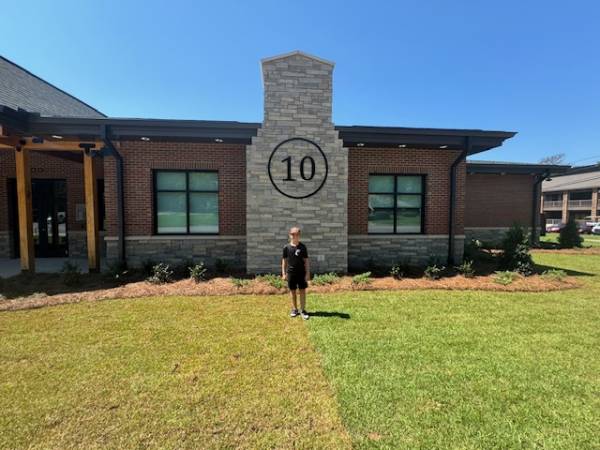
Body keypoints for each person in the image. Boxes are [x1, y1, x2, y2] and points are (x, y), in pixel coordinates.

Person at [281, 226, 310, 320]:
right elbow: (284, 261)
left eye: (296, 234)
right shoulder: (286, 247)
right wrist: (283, 273)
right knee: (292, 291)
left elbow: (306, 261)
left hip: (301, 273)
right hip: (291, 273)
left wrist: (307, 273)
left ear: (299, 235)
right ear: (290, 235)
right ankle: (294, 309)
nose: (294, 236)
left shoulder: (303, 247)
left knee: (302, 291)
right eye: (292, 234)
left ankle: (303, 310)